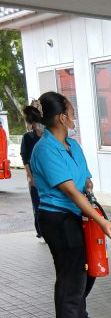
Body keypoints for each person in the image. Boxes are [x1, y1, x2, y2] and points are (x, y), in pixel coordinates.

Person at [29, 92, 111, 318]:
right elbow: (70, 191)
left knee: (89, 269)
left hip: (78, 215)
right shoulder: (45, 150)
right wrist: (102, 220)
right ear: (61, 118)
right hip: (58, 219)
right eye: (71, 112)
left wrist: (88, 183)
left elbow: (83, 180)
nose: (74, 117)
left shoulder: (72, 145)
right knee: (71, 275)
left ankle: (80, 316)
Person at [20, 102, 46, 241]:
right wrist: (30, 177)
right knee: (38, 205)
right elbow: (25, 159)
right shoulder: (28, 138)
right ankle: (41, 232)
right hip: (35, 177)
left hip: (49, 175)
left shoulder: (48, 135)